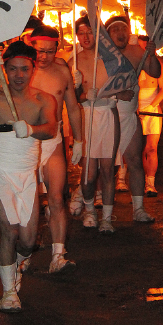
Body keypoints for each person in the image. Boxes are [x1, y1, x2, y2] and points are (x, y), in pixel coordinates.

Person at [0, 42, 57, 313]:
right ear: (4, 70)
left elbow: (50, 129)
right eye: (12, 69)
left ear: (33, 70)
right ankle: (8, 293)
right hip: (0, 168)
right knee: (9, 230)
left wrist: (29, 129)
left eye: (24, 69)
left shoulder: (43, 99)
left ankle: (18, 263)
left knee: (28, 241)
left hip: (27, 171)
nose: (18, 75)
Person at [30, 25, 83, 272]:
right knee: (29, 201)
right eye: (39, 51)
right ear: (31, 45)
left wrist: (79, 140)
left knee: (57, 198)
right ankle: (24, 252)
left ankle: (58, 256)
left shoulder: (62, 72)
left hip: (54, 141)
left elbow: (72, 107)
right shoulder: (19, 71)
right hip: (25, 143)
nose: (44, 56)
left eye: (50, 52)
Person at [104, 15, 161, 223]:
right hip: (106, 114)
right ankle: (105, 213)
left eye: (124, 29)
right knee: (106, 165)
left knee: (135, 160)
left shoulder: (137, 52)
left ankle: (138, 209)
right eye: (115, 29)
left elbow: (154, 72)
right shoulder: (101, 55)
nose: (121, 33)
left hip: (129, 113)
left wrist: (151, 55)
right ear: (108, 34)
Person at [69, 16, 120, 233]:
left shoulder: (112, 59)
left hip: (108, 114)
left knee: (108, 170)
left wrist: (113, 93)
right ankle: (89, 210)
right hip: (87, 116)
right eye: (81, 32)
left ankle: (107, 217)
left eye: (90, 32)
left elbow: (125, 86)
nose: (86, 37)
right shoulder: (74, 61)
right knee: (89, 173)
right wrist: (80, 92)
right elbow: (70, 97)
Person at [138, 35, 163, 197]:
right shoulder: (132, 65)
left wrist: (152, 105)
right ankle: (122, 179)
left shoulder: (159, 66)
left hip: (153, 108)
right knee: (135, 148)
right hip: (134, 109)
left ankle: (150, 184)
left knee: (151, 147)